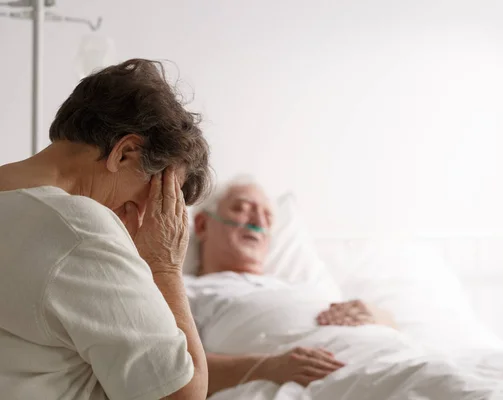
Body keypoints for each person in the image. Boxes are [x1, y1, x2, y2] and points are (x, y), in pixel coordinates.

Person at [0, 59, 210, 400]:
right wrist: (164, 267)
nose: (143, 220)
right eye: (156, 199)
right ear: (125, 153)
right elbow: (181, 394)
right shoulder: (80, 231)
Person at [187, 177, 398, 397]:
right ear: (202, 225)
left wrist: (381, 317)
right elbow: (170, 370)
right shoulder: (188, 292)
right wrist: (267, 367)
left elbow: (392, 330)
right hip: (336, 382)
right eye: (242, 208)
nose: (258, 222)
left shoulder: (307, 287)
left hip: (391, 358)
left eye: (268, 217)